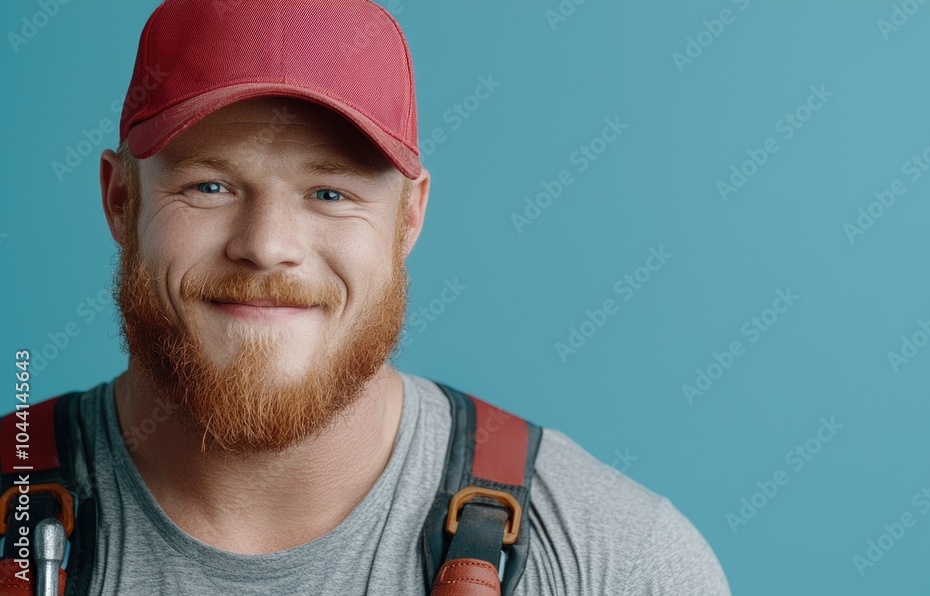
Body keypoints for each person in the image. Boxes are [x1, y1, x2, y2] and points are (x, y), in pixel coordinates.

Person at [12, 0, 732, 593]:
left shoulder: (619, 564)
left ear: (409, 218)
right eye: (211, 186)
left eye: (330, 193)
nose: (266, 245)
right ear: (118, 200)